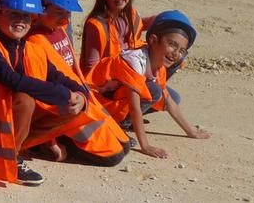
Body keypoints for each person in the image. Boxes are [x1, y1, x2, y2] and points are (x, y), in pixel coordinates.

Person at [0, 0, 87, 187]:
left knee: (72, 106)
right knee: (25, 99)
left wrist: (80, 95)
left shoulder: (29, 48)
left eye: (26, 15)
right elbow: (14, 81)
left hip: (3, 126)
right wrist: (63, 93)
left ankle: (20, 146)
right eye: (14, 14)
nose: (21, 21)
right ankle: (11, 157)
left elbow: (57, 76)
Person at [22, 0, 129, 167]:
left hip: (80, 101)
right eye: (60, 12)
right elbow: (38, 97)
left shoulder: (59, 30)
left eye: (68, 12)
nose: (66, 19)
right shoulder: (33, 42)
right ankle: (40, 145)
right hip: (63, 110)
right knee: (112, 156)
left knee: (125, 146)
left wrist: (87, 95)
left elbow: (73, 70)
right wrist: (50, 141)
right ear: (41, 7)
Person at [88, 10, 211, 159]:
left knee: (159, 93)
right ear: (153, 40)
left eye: (181, 50)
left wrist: (191, 131)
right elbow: (134, 108)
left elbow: (169, 102)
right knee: (152, 91)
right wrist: (145, 146)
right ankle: (116, 127)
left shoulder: (158, 66)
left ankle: (118, 124)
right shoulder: (134, 62)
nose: (176, 53)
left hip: (108, 102)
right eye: (172, 44)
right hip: (93, 104)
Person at [79, 0, 145, 75]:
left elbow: (143, 23)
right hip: (106, 82)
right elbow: (91, 67)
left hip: (127, 72)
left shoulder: (130, 15)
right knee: (154, 90)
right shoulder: (95, 26)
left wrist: (166, 20)